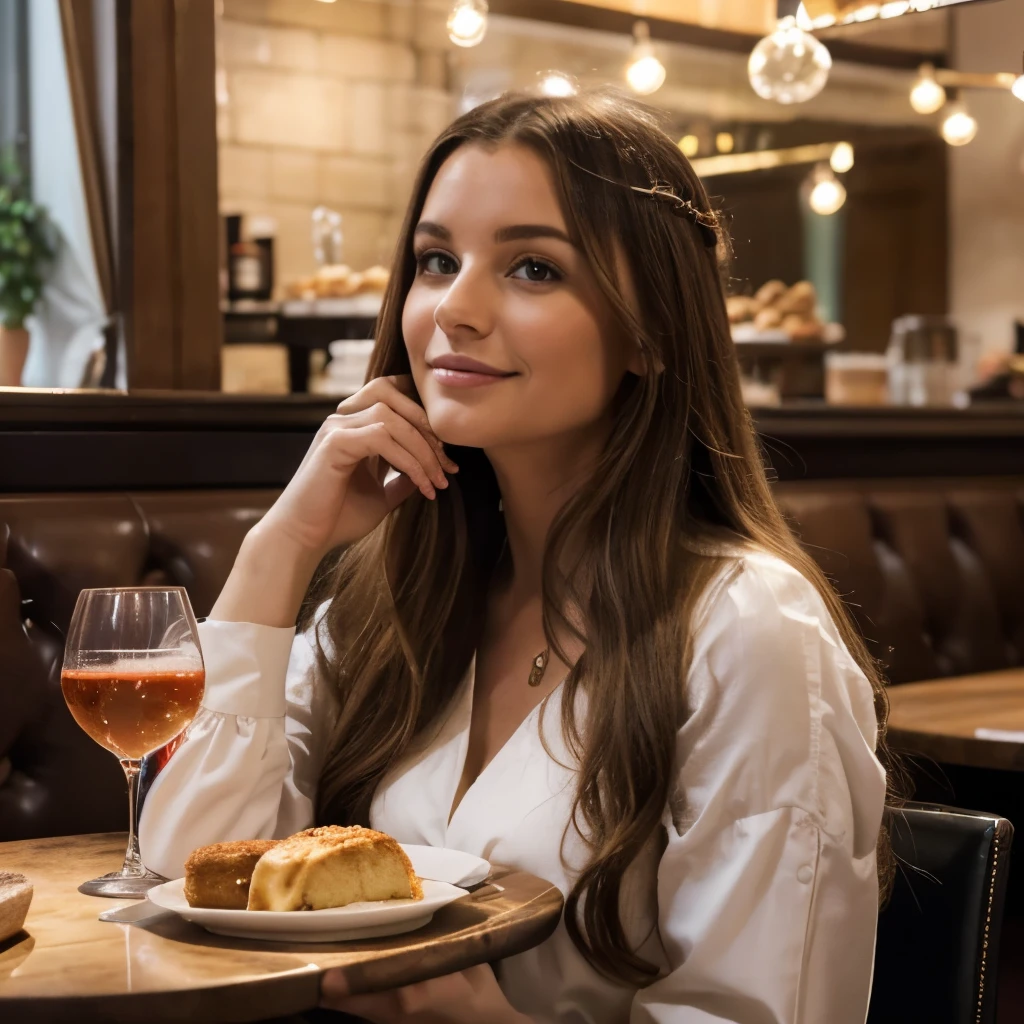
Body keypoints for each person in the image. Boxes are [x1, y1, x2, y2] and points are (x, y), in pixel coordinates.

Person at [139, 91, 895, 1024]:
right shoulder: (388, 604)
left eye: (532, 267)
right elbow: (194, 878)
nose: (454, 308)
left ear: (652, 333)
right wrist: (277, 550)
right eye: (436, 261)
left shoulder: (749, 632)